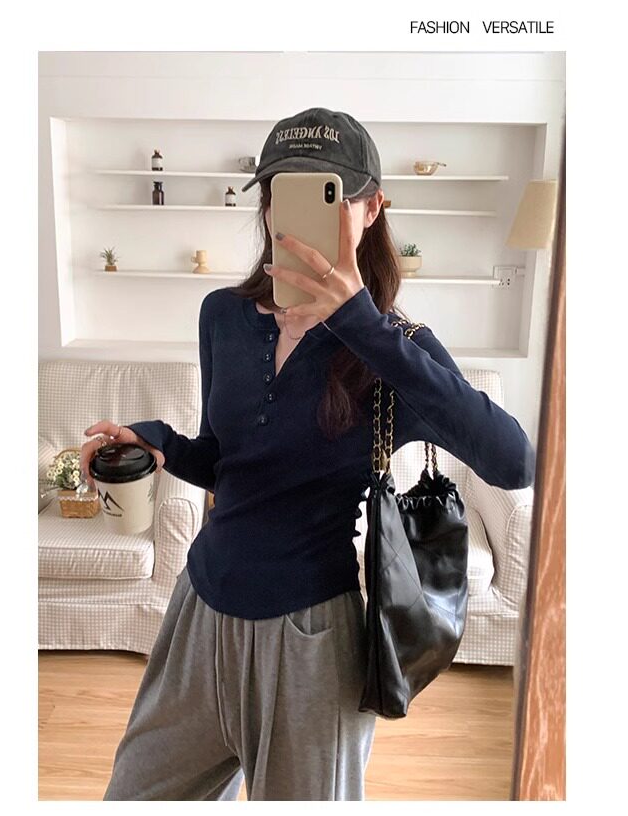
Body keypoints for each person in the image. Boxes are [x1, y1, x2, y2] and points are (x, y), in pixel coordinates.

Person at [80, 106, 536, 801]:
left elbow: (513, 461)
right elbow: (227, 463)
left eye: (327, 195)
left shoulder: (396, 349)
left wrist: (362, 325)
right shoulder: (223, 317)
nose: (293, 216)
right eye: (279, 193)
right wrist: (161, 444)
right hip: (198, 613)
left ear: (371, 208)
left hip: (312, 643)